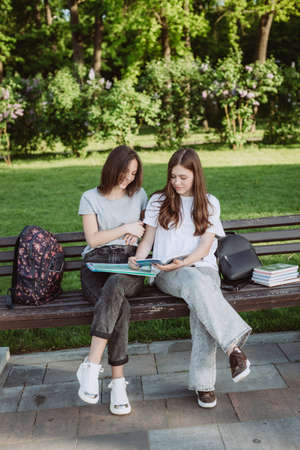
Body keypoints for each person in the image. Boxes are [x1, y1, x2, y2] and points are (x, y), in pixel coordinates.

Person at [129, 148, 252, 408]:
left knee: (201, 299)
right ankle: (233, 348)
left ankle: (204, 386)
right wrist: (139, 260)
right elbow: (148, 239)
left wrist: (185, 261)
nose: (177, 183)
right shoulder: (158, 201)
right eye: (173, 177)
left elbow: (206, 248)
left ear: (196, 176)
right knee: (198, 286)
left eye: (183, 177)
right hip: (167, 272)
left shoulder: (209, 202)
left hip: (201, 267)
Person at [77, 145, 147, 415]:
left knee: (117, 285)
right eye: (125, 171)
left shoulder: (139, 195)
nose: (128, 178)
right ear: (111, 167)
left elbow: (146, 229)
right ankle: (118, 384)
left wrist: (138, 230)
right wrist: (124, 228)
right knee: (121, 306)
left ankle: (91, 365)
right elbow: (93, 239)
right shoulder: (89, 197)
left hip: (128, 265)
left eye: (133, 173)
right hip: (95, 265)